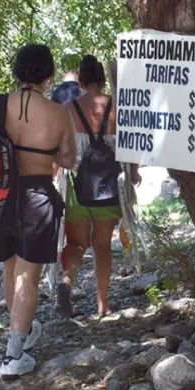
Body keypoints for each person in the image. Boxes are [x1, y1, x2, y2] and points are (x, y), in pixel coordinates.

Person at [0, 44, 76, 379]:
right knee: (28, 276)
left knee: (11, 267)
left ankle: (21, 332)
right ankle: (13, 356)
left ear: (16, 71)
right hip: (38, 195)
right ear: (49, 74)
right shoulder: (58, 114)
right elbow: (68, 160)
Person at [58, 54, 140, 317]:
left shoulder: (68, 109)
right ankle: (103, 304)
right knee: (102, 244)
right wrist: (134, 173)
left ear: (80, 81)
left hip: (76, 186)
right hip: (109, 185)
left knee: (76, 244)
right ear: (103, 79)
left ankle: (65, 284)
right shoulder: (117, 107)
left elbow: (62, 150)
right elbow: (129, 147)